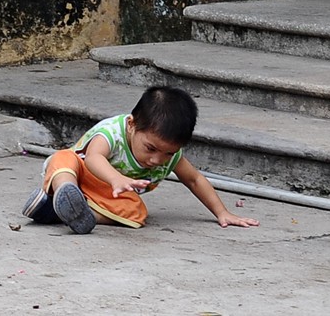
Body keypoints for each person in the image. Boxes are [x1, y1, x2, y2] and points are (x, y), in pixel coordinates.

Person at [22, 86, 259, 234]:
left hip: (107, 196)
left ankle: (67, 214)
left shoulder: (169, 155)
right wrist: (115, 178)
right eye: (151, 148)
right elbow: (93, 157)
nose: (157, 160)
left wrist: (222, 212)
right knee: (64, 158)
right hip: (80, 176)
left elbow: (195, 179)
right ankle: (64, 192)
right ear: (132, 125)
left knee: (136, 211)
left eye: (167, 153)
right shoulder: (112, 132)